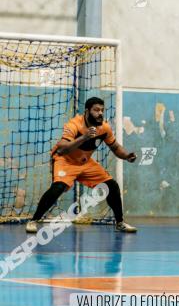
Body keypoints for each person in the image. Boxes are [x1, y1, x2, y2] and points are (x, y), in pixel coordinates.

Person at [26, 97, 137, 233]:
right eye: (96, 110)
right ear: (87, 111)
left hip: (85, 162)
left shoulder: (105, 128)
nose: (100, 113)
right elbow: (62, 149)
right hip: (65, 160)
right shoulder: (74, 125)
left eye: (102, 110)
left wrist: (126, 156)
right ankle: (33, 221)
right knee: (58, 187)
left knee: (111, 186)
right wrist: (84, 137)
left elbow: (115, 147)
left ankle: (120, 223)